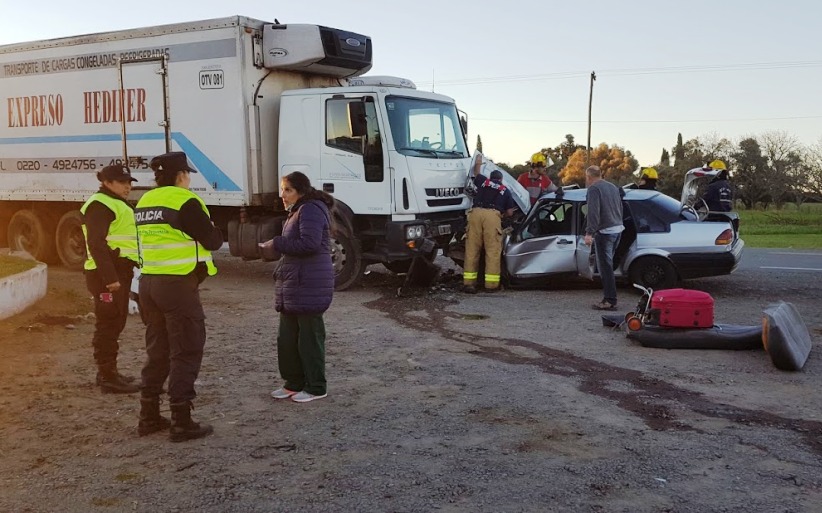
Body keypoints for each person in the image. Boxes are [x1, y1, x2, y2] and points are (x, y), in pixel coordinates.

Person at [134, 151, 223, 442]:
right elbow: (211, 240)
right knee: (185, 350)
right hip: (176, 286)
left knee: (157, 350)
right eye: (187, 175)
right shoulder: (185, 201)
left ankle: (148, 416)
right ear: (181, 176)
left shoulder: (144, 201)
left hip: (148, 284)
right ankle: (182, 422)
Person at [267, 172, 335, 403]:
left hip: (310, 283)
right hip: (294, 283)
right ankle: (293, 383)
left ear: (301, 191)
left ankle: (316, 386)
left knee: (309, 338)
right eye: (282, 190)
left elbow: (310, 243)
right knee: (287, 338)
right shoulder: (297, 211)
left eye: (288, 190)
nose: (282, 195)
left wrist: (277, 242)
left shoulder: (311, 209)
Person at [80, 164, 140, 394]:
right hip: (105, 276)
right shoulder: (99, 205)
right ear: (107, 182)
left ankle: (109, 373)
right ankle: (107, 377)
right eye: (123, 182)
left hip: (117, 273)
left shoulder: (114, 202)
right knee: (108, 324)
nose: (128, 186)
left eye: (129, 182)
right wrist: (111, 278)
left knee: (116, 322)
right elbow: (96, 243)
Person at [462, 155, 517, 293]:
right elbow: (510, 213)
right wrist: (502, 214)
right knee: (492, 251)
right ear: (501, 179)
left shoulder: (483, 181)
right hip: (492, 216)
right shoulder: (505, 190)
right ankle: (491, 286)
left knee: (472, 250)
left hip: (475, 214)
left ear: (491, 177)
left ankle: (469, 284)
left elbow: (476, 172)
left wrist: (479, 161)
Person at [583, 165, 624, 311]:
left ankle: (610, 300)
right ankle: (610, 298)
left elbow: (593, 212)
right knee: (608, 266)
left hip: (605, 232)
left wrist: (589, 233)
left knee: (605, 268)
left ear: (588, 177)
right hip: (618, 229)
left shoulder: (594, 189)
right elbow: (620, 206)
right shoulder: (612, 187)